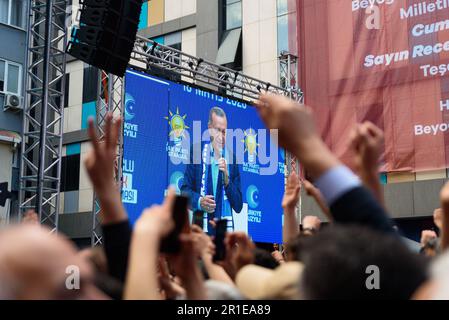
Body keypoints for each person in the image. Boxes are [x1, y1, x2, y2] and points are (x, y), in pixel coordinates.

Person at [181, 107, 243, 233]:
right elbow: (184, 191)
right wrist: (199, 201)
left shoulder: (232, 160)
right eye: (217, 130)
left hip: (223, 236)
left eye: (224, 131)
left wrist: (227, 181)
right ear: (209, 128)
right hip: (200, 235)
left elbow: (238, 205)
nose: (221, 136)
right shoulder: (197, 152)